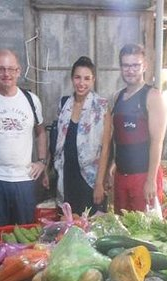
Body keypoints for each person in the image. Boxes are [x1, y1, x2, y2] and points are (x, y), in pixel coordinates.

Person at [0, 49, 48, 226]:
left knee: (26, 235)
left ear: (19, 71)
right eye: (1, 69)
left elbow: (41, 132)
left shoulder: (31, 100)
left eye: (11, 69)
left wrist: (42, 162)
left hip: (24, 181)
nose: (6, 74)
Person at [104, 43, 167, 213]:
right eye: (126, 65)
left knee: (145, 233)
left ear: (144, 66)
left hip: (143, 176)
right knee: (124, 232)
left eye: (135, 65)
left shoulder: (152, 96)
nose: (130, 70)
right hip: (121, 176)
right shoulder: (117, 97)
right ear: (121, 67)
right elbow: (118, 137)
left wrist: (151, 180)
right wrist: (114, 163)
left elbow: (157, 142)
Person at [50, 56, 111, 215]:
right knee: (68, 223)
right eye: (77, 77)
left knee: (89, 224)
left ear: (93, 80)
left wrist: (99, 183)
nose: (81, 83)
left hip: (90, 177)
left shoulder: (102, 106)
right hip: (67, 175)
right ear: (72, 78)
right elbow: (59, 141)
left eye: (87, 78)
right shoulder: (64, 104)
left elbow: (105, 149)